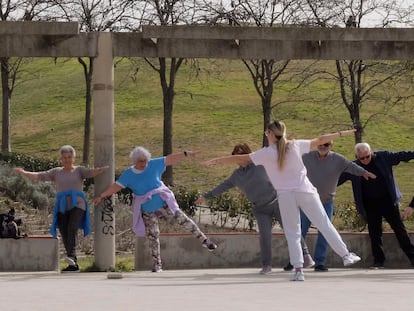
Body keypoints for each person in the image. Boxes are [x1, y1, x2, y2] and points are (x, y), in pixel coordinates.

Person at [203, 120, 363, 281]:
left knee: (293, 233)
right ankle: (346, 255)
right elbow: (320, 140)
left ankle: (299, 270)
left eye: (267, 133)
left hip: (285, 196)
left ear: (271, 134)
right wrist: (343, 133)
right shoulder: (295, 145)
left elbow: (241, 158)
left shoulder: (265, 153)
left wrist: (216, 160)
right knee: (324, 224)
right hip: (305, 191)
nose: (267, 136)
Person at [195, 143, 314, 275]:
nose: (239, 158)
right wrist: (206, 197)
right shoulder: (236, 175)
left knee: (290, 229)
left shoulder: (261, 165)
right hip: (260, 208)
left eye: (242, 154)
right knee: (264, 236)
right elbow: (223, 186)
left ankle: (306, 256)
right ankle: (266, 265)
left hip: (276, 202)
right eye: (236, 156)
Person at [93, 146, 217, 273]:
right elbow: (116, 186)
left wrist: (186, 154)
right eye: (140, 161)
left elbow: (169, 159)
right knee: (153, 235)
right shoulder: (128, 174)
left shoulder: (153, 164)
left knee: (182, 219)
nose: (144, 164)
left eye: (145, 160)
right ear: (134, 161)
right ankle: (157, 264)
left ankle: (204, 240)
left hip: (164, 203)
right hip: (147, 209)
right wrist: (102, 196)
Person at [14, 145, 109, 272]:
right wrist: (24, 173)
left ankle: (71, 256)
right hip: (62, 206)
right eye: (64, 158)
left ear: (73, 158)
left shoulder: (79, 170)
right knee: (64, 231)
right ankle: (73, 264)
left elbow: (91, 172)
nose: (67, 160)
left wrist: (103, 169)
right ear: (61, 159)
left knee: (72, 227)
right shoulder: (56, 172)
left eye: (69, 157)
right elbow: (40, 176)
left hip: (78, 205)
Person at [283, 140, 375, 272]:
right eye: (320, 144)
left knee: (325, 232)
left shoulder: (337, 159)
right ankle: (294, 261)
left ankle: (320, 262)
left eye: (326, 145)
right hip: (306, 201)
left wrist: (364, 172)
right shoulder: (306, 157)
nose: (322, 147)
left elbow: (351, 166)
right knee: (299, 232)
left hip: (326, 202)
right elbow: (291, 163)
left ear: (331, 146)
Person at [338, 142, 414, 269]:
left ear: (371, 152)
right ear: (356, 156)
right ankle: (378, 261)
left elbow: (402, 155)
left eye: (367, 156)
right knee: (374, 233)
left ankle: (412, 257)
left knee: (400, 230)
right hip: (370, 204)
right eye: (361, 158)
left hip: (388, 201)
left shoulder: (384, 157)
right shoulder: (353, 167)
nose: (365, 160)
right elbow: (337, 179)